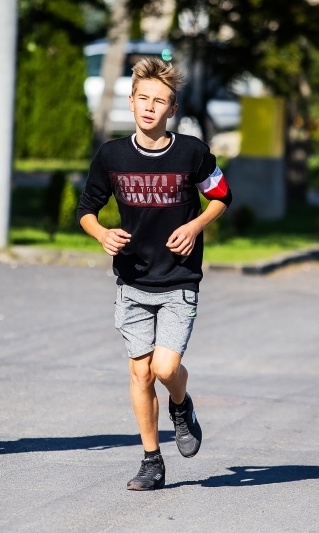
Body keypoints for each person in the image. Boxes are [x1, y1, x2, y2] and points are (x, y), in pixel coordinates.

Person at [77, 57, 232, 490]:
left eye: (158, 101)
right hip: (132, 279)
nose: (149, 107)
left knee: (165, 368)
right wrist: (101, 234)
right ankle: (151, 460)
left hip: (179, 278)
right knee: (140, 373)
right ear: (130, 101)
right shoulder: (111, 154)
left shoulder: (191, 152)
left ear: (172, 108)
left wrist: (195, 224)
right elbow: (86, 210)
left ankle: (181, 405)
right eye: (142, 98)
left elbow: (221, 196)